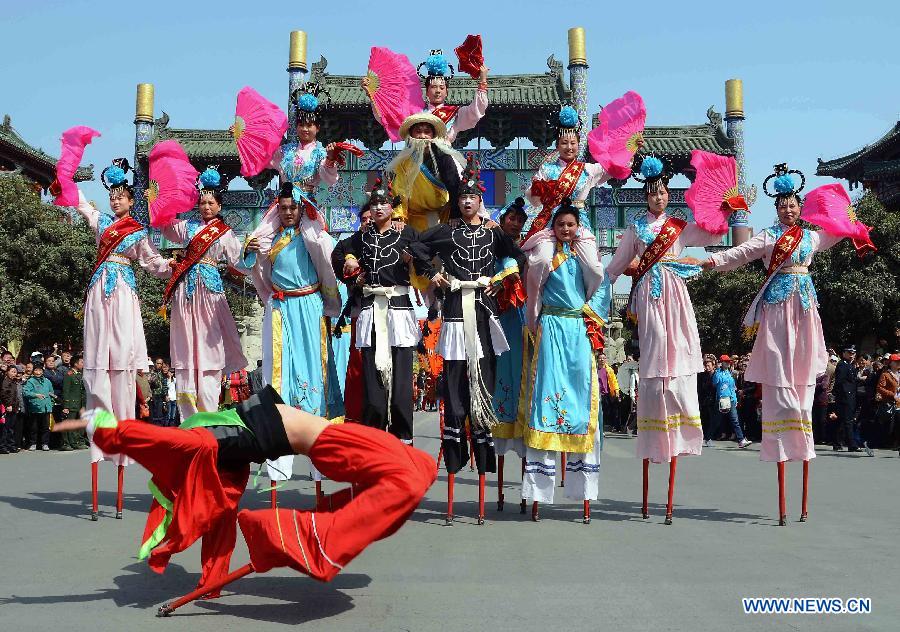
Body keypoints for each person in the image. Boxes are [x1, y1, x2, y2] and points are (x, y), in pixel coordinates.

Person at [52, 385, 435, 614]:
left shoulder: (213, 438)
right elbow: (217, 518)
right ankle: (308, 532)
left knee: (416, 471)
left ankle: (315, 533)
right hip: (333, 443)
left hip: (332, 442)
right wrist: (106, 429)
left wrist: (106, 428)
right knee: (414, 472)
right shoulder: (219, 447)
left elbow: (166, 442)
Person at [703, 164, 874, 525]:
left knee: (804, 367)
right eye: (782, 205)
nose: (788, 209)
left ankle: (801, 412)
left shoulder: (811, 238)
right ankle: (782, 415)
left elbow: (839, 229)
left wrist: (853, 222)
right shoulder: (767, 237)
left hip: (804, 306)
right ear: (776, 207)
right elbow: (739, 253)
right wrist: (709, 261)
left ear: (800, 206)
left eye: (793, 204)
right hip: (778, 308)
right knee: (779, 361)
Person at [606, 156, 720, 524]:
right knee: (655, 350)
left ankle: (680, 404)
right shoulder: (636, 228)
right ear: (646, 195)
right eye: (653, 193)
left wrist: (727, 209)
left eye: (663, 193)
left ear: (669, 195)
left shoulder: (678, 226)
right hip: (649, 296)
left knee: (681, 345)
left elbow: (712, 233)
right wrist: (591, 284)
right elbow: (617, 265)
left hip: (675, 291)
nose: (658, 198)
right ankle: (656, 400)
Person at [414, 154, 525, 524]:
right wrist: (435, 274)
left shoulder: (494, 232)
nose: (466, 201)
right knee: (456, 388)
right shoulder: (448, 231)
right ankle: (454, 459)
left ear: (481, 200)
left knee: (485, 388)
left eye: (472, 196)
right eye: (461, 196)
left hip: (483, 313)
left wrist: (503, 276)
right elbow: (417, 246)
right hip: (455, 315)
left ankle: (482, 458)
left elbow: (518, 257)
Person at [76, 159, 173, 517]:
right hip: (100, 289)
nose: (115, 201)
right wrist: (67, 182)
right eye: (112, 196)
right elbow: (83, 206)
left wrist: (173, 267)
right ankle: (98, 442)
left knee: (123, 362)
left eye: (121, 196)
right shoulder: (101, 224)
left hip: (124, 295)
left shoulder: (136, 232)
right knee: (98, 364)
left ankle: (121, 440)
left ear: (131, 200)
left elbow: (153, 263)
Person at [245, 181, 341, 488]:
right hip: (281, 309)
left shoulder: (312, 236)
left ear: (301, 209)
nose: (287, 213)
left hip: (309, 307)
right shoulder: (270, 239)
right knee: (278, 375)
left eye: (292, 208)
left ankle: (318, 458)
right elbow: (254, 268)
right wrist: (251, 251)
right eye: (283, 208)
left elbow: (330, 260)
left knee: (315, 371)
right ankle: (278, 460)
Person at [519, 201, 610, 523]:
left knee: (583, 400)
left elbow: (602, 284)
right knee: (546, 398)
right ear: (553, 227)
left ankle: (582, 490)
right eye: (561, 225)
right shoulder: (542, 257)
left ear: (578, 227)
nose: (566, 229)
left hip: (579, 329)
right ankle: (538, 492)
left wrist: (592, 321)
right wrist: (533, 325)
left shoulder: (587, 257)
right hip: (552, 327)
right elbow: (533, 295)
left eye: (571, 224)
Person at [332, 179, 426, 444]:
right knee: (372, 387)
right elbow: (339, 253)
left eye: (384, 203)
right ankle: (375, 442)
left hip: (399, 311)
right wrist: (352, 271)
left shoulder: (406, 233)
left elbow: (426, 255)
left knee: (401, 387)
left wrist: (414, 260)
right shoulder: (362, 235)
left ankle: (403, 442)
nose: (379, 208)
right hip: (372, 311)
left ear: (392, 207)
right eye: (374, 204)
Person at [160, 166, 253, 419]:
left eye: (211, 202)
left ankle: (209, 416)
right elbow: (165, 226)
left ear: (219, 206)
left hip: (210, 294)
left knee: (210, 353)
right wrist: (164, 196)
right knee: (186, 352)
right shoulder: (187, 228)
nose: (206, 206)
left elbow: (240, 262)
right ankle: (188, 418)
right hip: (186, 294)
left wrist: (252, 250)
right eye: (202, 202)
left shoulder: (225, 233)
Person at [524, 104, 638, 240]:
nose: (569, 147)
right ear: (557, 145)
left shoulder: (588, 169)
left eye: (573, 143)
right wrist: (539, 190)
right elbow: (534, 199)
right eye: (564, 143)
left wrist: (631, 147)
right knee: (541, 258)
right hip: (552, 222)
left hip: (579, 223)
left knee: (591, 260)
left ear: (578, 145)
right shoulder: (546, 169)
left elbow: (615, 166)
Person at [491, 197, 529, 460]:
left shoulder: (530, 247)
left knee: (521, 368)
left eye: (519, 220)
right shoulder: (488, 243)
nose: (515, 223)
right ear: (502, 221)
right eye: (511, 218)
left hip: (522, 315)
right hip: (496, 313)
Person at [385, 113, 466, 232]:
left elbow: (454, 186)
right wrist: (397, 216)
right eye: (418, 131)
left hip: (443, 215)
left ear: (433, 135)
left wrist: (455, 214)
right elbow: (399, 190)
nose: (422, 136)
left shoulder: (443, 157)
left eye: (427, 132)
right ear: (411, 134)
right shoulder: (403, 162)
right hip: (412, 217)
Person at [711, 356, 751, 448]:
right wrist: (717, 371)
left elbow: (733, 387)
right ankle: (708, 437)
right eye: (726, 362)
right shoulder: (718, 373)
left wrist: (735, 399)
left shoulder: (731, 373)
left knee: (735, 420)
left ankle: (741, 440)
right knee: (717, 420)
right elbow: (715, 383)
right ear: (721, 362)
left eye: (729, 362)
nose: (728, 363)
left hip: (731, 399)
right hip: (721, 399)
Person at [23, 364, 55, 451]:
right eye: (36, 370)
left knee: (46, 427)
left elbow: (51, 392)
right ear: (33, 371)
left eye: (40, 370)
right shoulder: (30, 381)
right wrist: (35, 395)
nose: (38, 372)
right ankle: (33, 443)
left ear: (42, 371)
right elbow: (25, 392)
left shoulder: (47, 381)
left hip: (46, 407)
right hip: (35, 408)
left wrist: (52, 400)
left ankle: (45, 443)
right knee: (34, 427)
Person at [60, 355, 88, 450]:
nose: (83, 364)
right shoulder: (69, 374)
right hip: (71, 403)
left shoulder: (80, 375)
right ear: (75, 364)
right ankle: (66, 443)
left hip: (80, 404)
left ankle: (76, 442)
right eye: (81, 362)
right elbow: (66, 390)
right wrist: (66, 405)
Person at [874, 354, 900, 453]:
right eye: (896, 361)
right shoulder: (886, 375)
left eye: (899, 361)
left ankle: (896, 443)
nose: (898, 363)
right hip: (889, 403)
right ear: (891, 363)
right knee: (887, 423)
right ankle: (884, 442)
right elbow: (879, 388)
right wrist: (892, 394)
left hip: (899, 403)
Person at [1, 365, 22, 454]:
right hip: (7, 407)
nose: (14, 373)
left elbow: (15, 397)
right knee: (5, 428)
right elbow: (4, 394)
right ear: (7, 372)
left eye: (15, 372)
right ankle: (3, 446)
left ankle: (11, 445)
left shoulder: (13, 382)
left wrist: (16, 406)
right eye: (12, 371)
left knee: (11, 428)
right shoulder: (5, 381)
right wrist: (8, 405)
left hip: (14, 408)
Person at [598, 352, 621, 432]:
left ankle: (611, 426)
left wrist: (616, 390)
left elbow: (614, 381)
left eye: (604, 358)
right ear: (597, 360)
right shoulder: (594, 370)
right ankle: (601, 428)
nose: (602, 360)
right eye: (600, 358)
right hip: (598, 394)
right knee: (600, 411)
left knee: (609, 410)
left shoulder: (609, 370)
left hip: (608, 393)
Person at [698, 357, 718, 447]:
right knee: (704, 419)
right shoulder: (702, 375)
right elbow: (700, 388)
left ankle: (709, 437)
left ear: (713, 366)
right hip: (705, 401)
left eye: (709, 365)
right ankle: (705, 437)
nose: (707, 367)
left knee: (713, 420)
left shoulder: (717, 375)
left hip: (714, 400)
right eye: (706, 365)